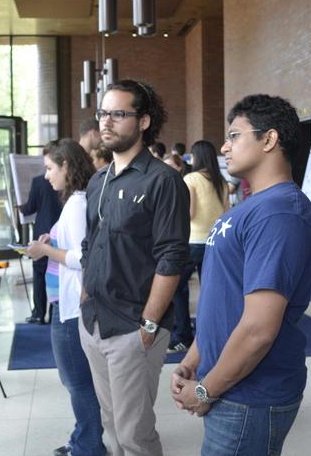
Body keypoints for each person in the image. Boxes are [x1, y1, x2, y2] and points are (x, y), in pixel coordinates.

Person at [170, 94, 311, 455]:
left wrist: (207, 389)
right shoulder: (255, 206)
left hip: (250, 394)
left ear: (269, 140)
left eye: (235, 135)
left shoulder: (280, 213)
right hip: (229, 382)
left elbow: (258, 328)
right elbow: (223, 299)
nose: (224, 146)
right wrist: (194, 359)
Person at [80, 79, 189, 456]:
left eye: (118, 114)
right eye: (103, 113)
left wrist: (148, 325)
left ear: (143, 121)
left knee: (134, 436)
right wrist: (83, 296)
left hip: (133, 327)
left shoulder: (164, 181)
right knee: (111, 430)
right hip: (93, 320)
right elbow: (89, 242)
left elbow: (172, 258)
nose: (106, 122)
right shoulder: (98, 180)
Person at [25, 139, 106, 456]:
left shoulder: (76, 204)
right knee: (77, 379)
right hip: (68, 304)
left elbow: (79, 257)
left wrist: (44, 249)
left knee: (77, 381)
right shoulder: (76, 201)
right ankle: (84, 436)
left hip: (73, 308)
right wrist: (50, 239)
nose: (46, 176)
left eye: (49, 169)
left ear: (67, 167)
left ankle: (89, 445)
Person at [168, 140, 229, 354]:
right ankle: (213, 335)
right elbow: (226, 213)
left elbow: (190, 213)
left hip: (193, 242)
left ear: (197, 157)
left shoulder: (191, 178)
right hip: (215, 243)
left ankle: (183, 336)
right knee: (210, 291)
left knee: (176, 288)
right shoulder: (221, 181)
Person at [21, 172, 63, 324]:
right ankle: (54, 314)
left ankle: (39, 313)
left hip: (42, 233)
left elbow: (29, 209)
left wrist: (20, 208)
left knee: (39, 274)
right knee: (57, 272)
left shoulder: (38, 181)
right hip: (60, 232)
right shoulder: (68, 179)